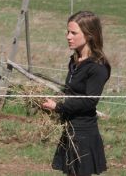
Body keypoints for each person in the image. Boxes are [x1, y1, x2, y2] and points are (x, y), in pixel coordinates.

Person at [42, 11, 111, 176]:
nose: (68, 36)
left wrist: (58, 106)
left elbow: (89, 101)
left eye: (74, 33)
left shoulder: (98, 67)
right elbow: (72, 92)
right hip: (70, 128)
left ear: (89, 35)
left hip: (84, 133)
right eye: (67, 32)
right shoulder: (74, 62)